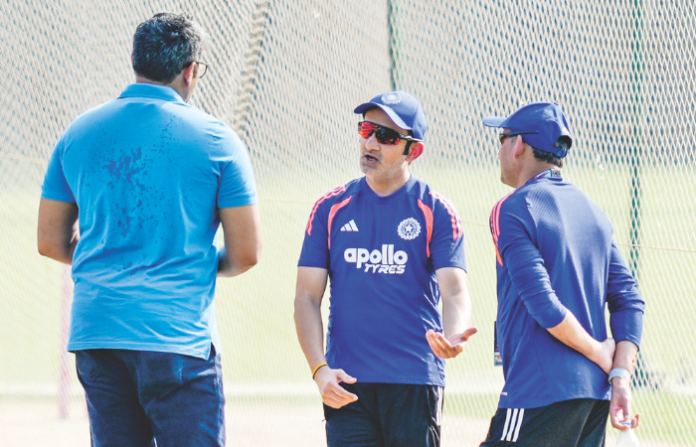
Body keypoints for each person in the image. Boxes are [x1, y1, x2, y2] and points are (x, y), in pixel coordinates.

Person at [37, 12, 261, 447]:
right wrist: (190, 261)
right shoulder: (218, 141)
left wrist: (108, 254)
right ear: (190, 70)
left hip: (98, 330)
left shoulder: (78, 132)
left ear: (135, 61)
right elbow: (247, 253)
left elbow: (49, 241)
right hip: (176, 335)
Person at [294, 90, 477, 447]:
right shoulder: (329, 208)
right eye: (366, 130)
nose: (371, 143)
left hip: (414, 380)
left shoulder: (436, 210)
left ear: (414, 151)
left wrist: (454, 334)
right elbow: (305, 297)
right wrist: (319, 369)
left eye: (387, 136)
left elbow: (455, 290)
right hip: (346, 383)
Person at [480, 102, 645, 446]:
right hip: (594, 398)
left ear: (519, 145)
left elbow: (543, 303)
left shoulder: (513, 207)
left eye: (502, 139)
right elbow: (629, 300)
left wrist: (600, 353)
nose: (498, 150)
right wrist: (619, 377)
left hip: (538, 392)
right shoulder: (593, 210)